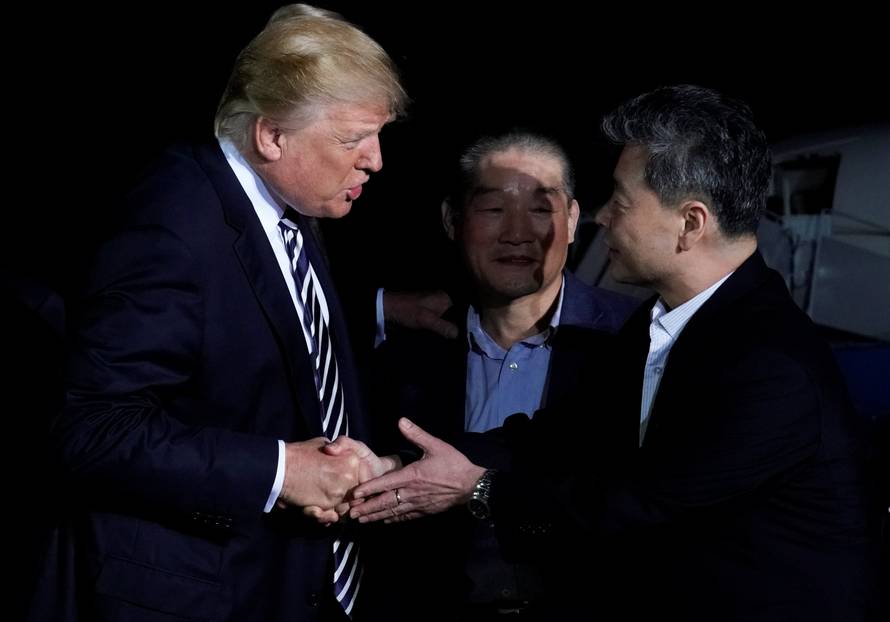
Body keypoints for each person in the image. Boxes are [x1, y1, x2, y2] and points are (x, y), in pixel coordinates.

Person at [344, 85, 878, 620]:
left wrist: (479, 491)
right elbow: (552, 437)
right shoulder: (656, 328)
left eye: (620, 202)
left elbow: (639, 508)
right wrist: (404, 464)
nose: (601, 217)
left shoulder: (769, 365)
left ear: (690, 223)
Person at [43, 5, 406, 621]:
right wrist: (280, 469)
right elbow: (92, 429)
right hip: (195, 596)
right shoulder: (171, 225)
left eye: (377, 137)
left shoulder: (289, 201)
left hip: (282, 583)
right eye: (352, 140)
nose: (375, 161)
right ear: (271, 136)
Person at [363, 131, 637, 620]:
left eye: (539, 209)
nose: (517, 232)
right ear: (452, 220)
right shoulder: (401, 355)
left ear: (573, 220)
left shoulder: (632, 343)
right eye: (493, 209)